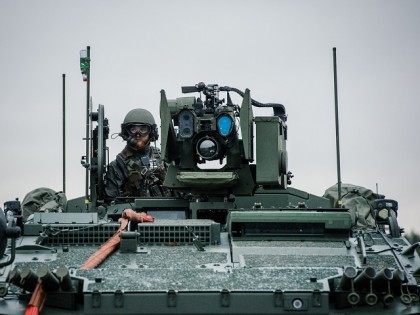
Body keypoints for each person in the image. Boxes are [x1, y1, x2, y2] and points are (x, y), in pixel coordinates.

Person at [104, 108, 169, 200]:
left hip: (168, 211)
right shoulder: (117, 165)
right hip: (134, 212)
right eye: (133, 129)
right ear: (126, 132)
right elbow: (111, 201)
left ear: (152, 132)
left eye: (143, 129)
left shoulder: (163, 158)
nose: (138, 134)